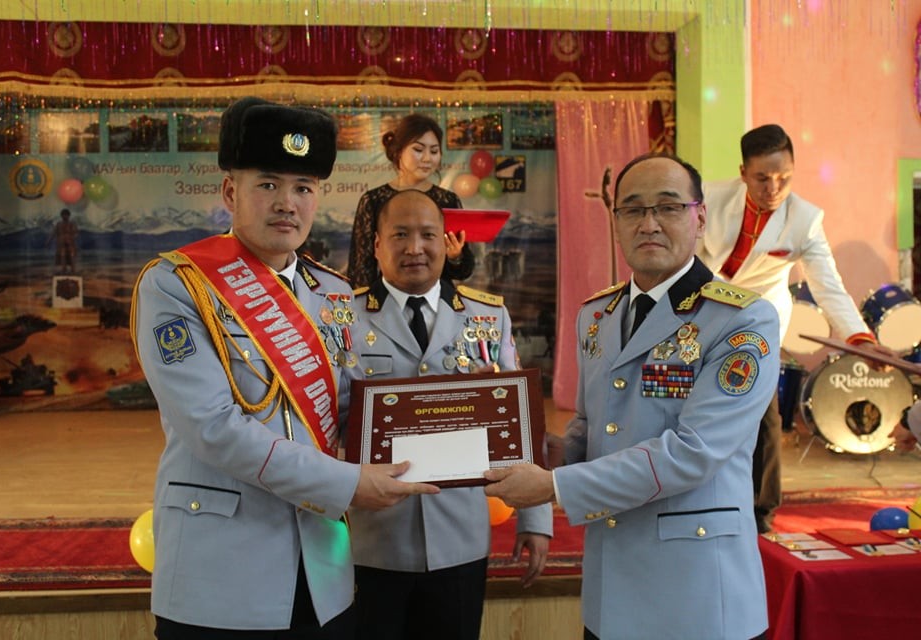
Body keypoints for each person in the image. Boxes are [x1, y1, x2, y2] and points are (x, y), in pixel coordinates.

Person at [131, 97, 439, 639]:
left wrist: (451, 435)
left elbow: (350, 408)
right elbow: (213, 428)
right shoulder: (177, 285)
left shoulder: (332, 291)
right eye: (268, 184)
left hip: (321, 574)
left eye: (303, 187)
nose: (286, 203)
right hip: (221, 575)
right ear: (231, 192)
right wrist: (347, 482)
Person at [483, 153, 780, 640]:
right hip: (612, 591)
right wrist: (530, 450)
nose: (649, 223)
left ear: (699, 217)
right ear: (616, 220)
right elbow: (589, 426)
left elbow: (693, 453)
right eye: (633, 209)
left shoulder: (741, 320)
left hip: (697, 596)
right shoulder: (597, 316)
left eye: (668, 207)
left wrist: (554, 486)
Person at [347, 188, 552, 640]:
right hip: (373, 539)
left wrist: (535, 519)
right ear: (377, 245)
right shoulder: (342, 319)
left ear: (447, 242)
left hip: (459, 538)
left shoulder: (488, 316)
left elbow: (518, 420)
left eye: (428, 235)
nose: (415, 248)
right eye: (400, 235)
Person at [696, 123, 888, 533]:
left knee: (763, 414)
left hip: (758, 322)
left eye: (783, 178)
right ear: (743, 173)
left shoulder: (805, 219)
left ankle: (760, 512)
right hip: (702, 312)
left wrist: (861, 339)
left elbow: (827, 285)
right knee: (691, 408)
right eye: (762, 178)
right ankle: (695, 499)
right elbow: (686, 261)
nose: (773, 188)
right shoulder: (707, 199)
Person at [348, 113, 474, 288]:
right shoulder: (373, 201)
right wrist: (369, 303)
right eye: (418, 150)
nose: (427, 158)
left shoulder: (448, 200)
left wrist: (455, 256)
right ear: (399, 151)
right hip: (388, 299)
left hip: (438, 299)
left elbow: (463, 271)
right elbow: (361, 269)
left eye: (434, 151)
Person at [50, 208, 78, 274]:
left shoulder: (72, 224)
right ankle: (63, 270)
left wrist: (72, 238)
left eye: (66, 215)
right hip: (61, 243)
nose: (65, 216)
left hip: (70, 243)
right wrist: (48, 241)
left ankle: (73, 270)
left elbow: (76, 233)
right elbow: (53, 233)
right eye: (63, 215)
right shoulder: (58, 224)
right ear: (61, 215)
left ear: (69, 215)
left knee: (71, 256)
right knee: (62, 256)